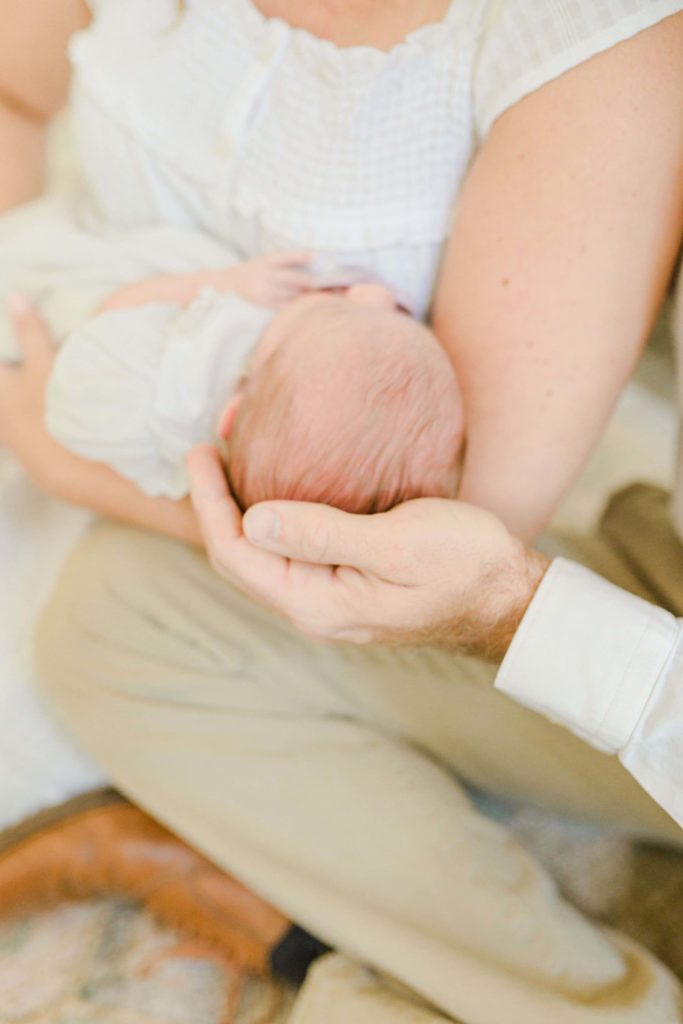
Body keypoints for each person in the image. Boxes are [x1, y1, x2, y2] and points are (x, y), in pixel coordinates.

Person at [1, 1, 683, 1022]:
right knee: (111, 622)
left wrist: (69, 457)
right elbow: (15, 95)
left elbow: (432, 542)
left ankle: (357, 971)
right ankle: (337, 942)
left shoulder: (595, 47)